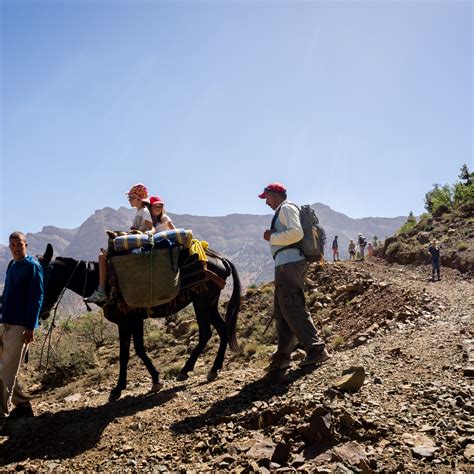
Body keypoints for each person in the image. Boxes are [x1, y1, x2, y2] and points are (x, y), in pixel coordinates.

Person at [259, 182, 329, 371]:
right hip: (286, 263)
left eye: (267, 198)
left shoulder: (286, 208)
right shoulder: (285, 209)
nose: (266, 203)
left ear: (275, 195)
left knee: (292, 305)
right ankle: (282, 357)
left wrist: (271, 237)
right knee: (283, 310)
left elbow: (296, 233)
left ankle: (316, 349)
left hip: (289, 263)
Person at [1, 231, 44, 427]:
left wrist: (30, 326)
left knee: (5, 372)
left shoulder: (32, 266)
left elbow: (37, 298)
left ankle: (1, 414)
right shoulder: (12, 265)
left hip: (20, 326)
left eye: (19, 245)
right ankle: (23, 405)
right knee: (8, 368)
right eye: (12, 246)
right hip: (5, 322)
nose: (16, 249)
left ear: (26, 245)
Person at [85, 183, 153, 304]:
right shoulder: (139, 212)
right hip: (135, 240)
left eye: (131, 198)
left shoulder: (144, 211)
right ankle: (104, 289)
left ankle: (103, 291)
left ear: (139, 199)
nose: (129, 200)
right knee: (103, 256)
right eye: (129, 198)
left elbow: (151, 229)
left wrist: (140, 234)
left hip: (139, 243)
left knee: (104, 257)